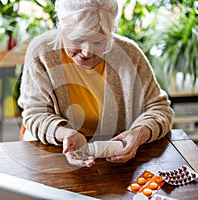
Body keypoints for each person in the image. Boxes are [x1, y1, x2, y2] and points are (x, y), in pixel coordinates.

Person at [18, 0, 174, 167]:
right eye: (77, 40)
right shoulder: (42, 51)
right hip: (54, 155)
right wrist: (63, 134)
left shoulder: (129, 54)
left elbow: (160, 109)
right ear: (61, 28)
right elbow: (34, 113)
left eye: (99, 42)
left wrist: (138, 133)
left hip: (116, 160)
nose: (87, 52)